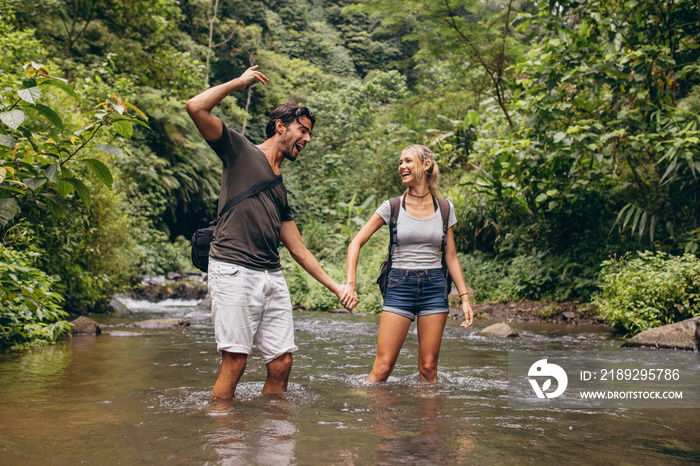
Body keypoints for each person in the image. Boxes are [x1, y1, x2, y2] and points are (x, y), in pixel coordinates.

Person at [186, 66, 357, 399]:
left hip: (271, 276)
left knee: (282, 363)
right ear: (280, 126)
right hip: (233, 269)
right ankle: (227, 442)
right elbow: (195, 107)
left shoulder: (279, 189)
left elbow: (298, 250)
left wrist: (337, 287)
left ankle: (272, 439)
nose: (307, 140)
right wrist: (240, 81)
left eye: (309, 135)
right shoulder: (238, 151)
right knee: (235, 362)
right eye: (302, 131)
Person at [340, 144, 474, 383]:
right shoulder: (391, 207)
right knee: (382, 368)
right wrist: (350, 283)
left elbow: (450, 256)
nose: (402, 166)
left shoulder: (445, 208)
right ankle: (363, 416)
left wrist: (464, 298)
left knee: (428, 368)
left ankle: (429, 421)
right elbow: (355, 243)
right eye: (400, 162)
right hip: (399, 286)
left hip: (434, 288)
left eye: (408, 161)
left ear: (426, 165)